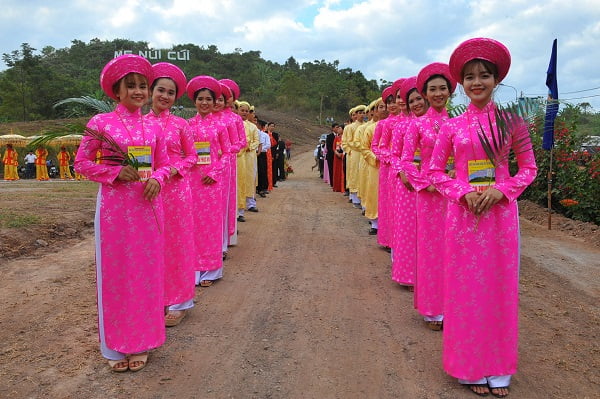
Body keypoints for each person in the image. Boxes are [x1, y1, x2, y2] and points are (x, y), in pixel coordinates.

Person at [428, 38, 537, 397]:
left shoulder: (511, 122)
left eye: (485, 76)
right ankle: (470, 366)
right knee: (465, 290)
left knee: (499, 287)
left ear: (496, 80)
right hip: (462, 216)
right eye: (471, 76)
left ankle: (499, 368)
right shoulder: (452, 127)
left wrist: (500, 191)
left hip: (500, 217)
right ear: (461, 82)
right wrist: (462, 192)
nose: (477, 82)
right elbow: (435, 172)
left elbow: (529, 169)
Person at [74, 54, 171, 372]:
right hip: (115, 212)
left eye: (143, 85)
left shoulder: (154, 125)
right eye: (131, 86)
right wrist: (114, 173)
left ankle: (142, 342)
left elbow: (166, 163)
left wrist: (157, 177)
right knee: (117, 275)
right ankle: (117, 345)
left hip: (148, 208)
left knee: (146, 274)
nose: (139, 91)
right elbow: (82, 163)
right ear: (116, 91)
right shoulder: (100, 124)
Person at [400, 63, 456, 331]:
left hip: (456, 196)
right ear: (425, 93)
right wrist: (428, 185)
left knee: (455, 249)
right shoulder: (418, 125)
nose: (438, 93)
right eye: (432, 89)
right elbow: (408, 161)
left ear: (450, 91)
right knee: (432, 249)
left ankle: (455, 306)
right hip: (431, 196)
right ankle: (433, 310)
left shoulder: (458, 123)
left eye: (442, 88)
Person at [145, 62, 197, 327]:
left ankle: (180, 301)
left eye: (170, 92)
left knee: (177, 243)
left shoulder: (180, 125)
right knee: (151, 245)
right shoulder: (139, 124)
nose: (164, 96)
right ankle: (154, 299)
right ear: (150, 91)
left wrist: (173, 168)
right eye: (160, 90)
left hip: (175, 191)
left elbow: (193, 156)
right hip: (147, 192)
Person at [185, 76, 231, 287]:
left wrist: (214, 172)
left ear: (214, 103)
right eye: (200, 99)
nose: (204, 103)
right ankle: (193, 268)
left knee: (211, 224)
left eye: (208, 99)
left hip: (212, 181)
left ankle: (211, 271)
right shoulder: (187, 126)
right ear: (194, 101)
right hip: (191, 180)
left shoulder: (220, 126)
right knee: (192, 224)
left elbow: (228, 152)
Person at [389, 77, 418, 289]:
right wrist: (403, 172)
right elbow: (395, 154)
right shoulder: (400, 127)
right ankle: (407, 272)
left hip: (434, 184)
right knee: (407, 228)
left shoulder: (442, 124)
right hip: (406, 183)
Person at [236, 101, 260, 219]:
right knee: (238, 181)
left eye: (246, 111)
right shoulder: (233, 123)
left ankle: (250, 203)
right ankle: (237, 210)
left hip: (249, 156)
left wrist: (250, 147)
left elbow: (256, 141)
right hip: (237, 155)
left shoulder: (252, 126)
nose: (244, 113)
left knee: (250, 179)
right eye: (242, 110)